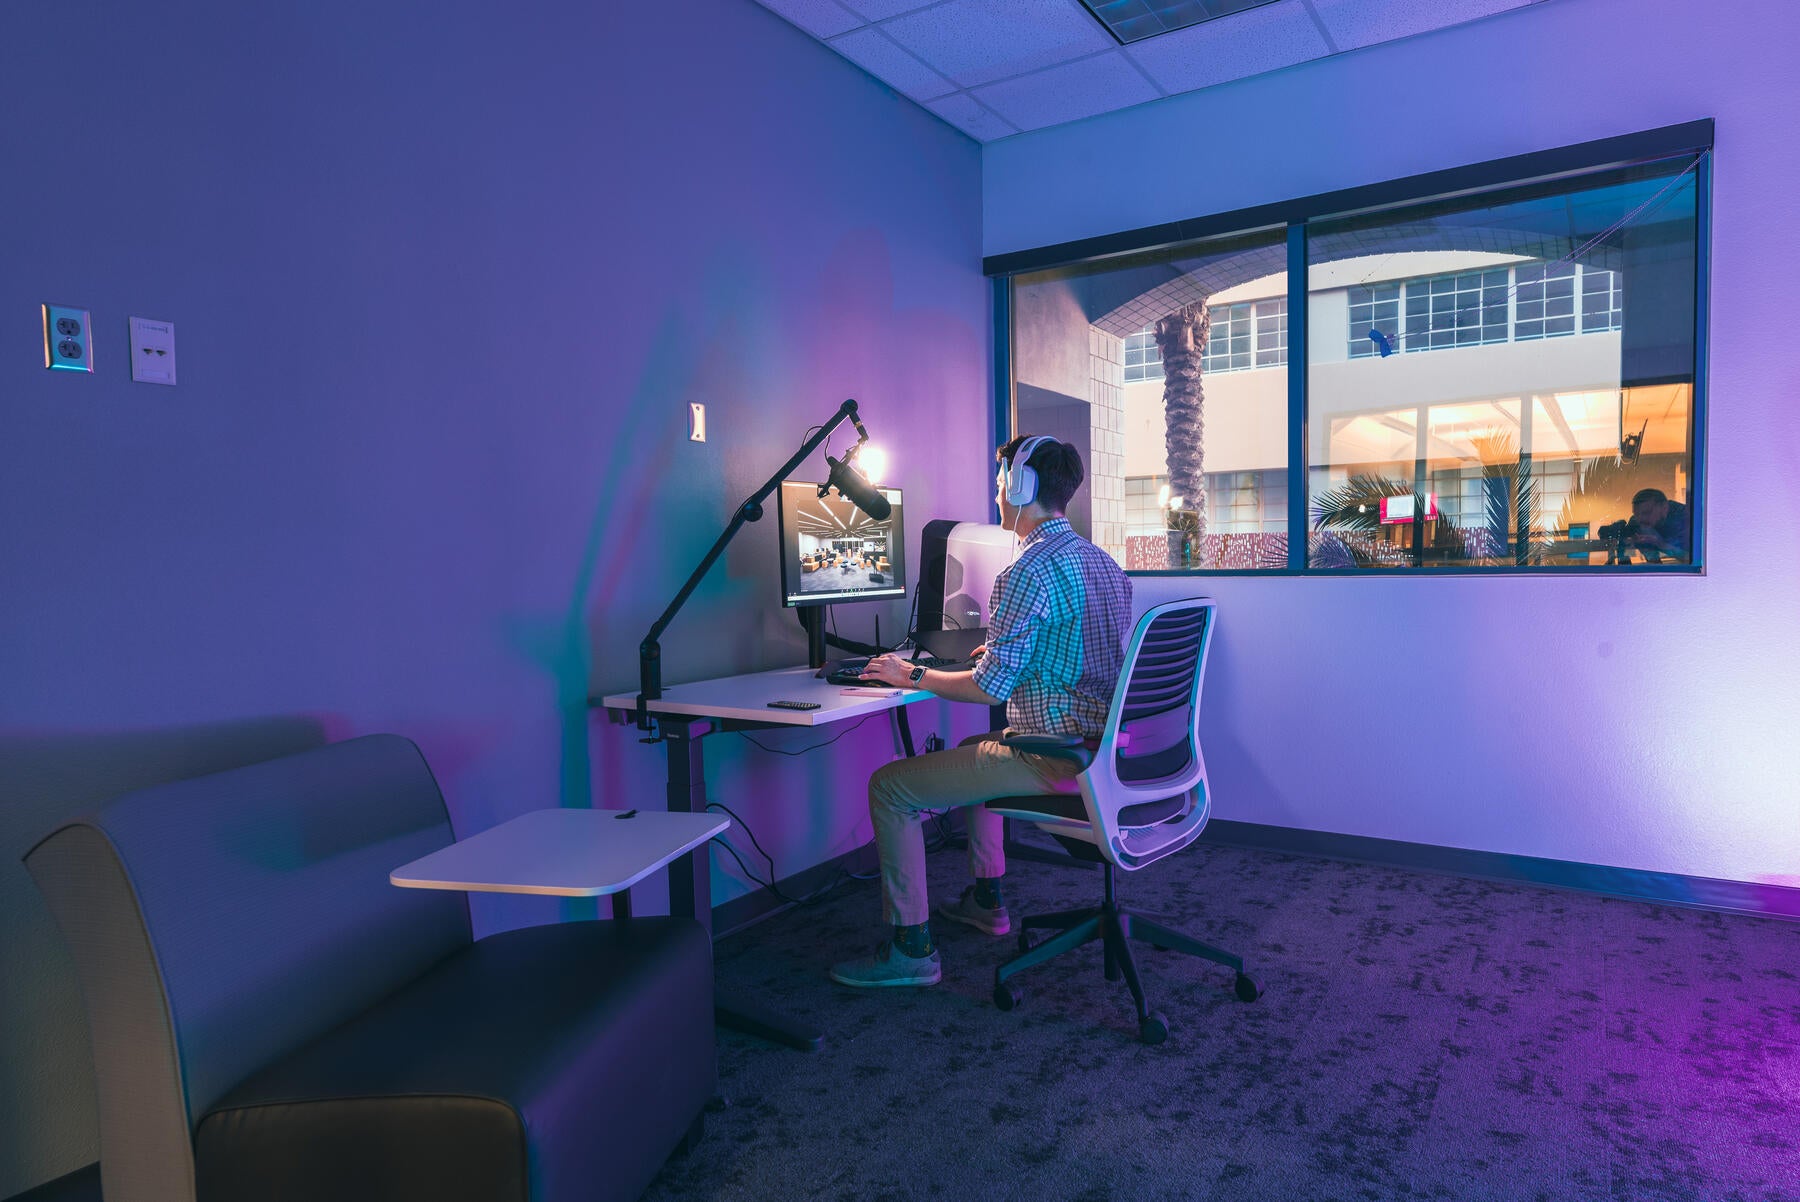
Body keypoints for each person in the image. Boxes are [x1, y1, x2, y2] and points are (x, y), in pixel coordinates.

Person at [828, 435, 1133, 988]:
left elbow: (990, 691)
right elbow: (1080, 654)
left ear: (1022, 486)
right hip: (1100, 749)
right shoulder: (1104, 564)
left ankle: (910, 951)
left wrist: (910, 673)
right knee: (973, 751)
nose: (996, 493)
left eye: (1001, 481)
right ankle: (986, 899)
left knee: (889, 788)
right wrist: (1001, 653)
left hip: (1054, 757)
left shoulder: (1025, 573)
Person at [1622, 487, 1691, 562]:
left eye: (1647, 513)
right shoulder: (1635, 522)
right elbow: (1653, 562)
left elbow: (1693, 560)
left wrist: (1661, 544)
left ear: (1664, 508)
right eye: (1636, 514)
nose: (1640, 519)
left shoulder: (1685, 518)